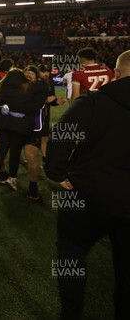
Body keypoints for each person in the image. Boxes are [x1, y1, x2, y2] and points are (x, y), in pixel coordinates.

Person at [44, 49, 130, 320]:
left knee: (71, 253)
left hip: (88, 194)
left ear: (116, 73)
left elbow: (60, 138)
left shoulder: (95, 101)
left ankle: (71, 313)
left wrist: (57, 174)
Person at [0, 68, 47, 190]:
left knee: (1, 150)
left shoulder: (3, 88)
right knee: (15, 152)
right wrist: (37, 79)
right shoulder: (28, 90)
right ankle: (12, 178)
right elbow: (39, 100)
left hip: (6, 124)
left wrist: (4, 107)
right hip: (21, 126)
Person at [21, 65, 51, 199]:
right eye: (26, 73)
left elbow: (33, 105)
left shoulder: (42, 86)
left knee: (32, 156)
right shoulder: (18, 85)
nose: (28, 75)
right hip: (15, 125)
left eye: (31, 73)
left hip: (33, 127)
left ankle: (33, 188)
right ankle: (3, 175)